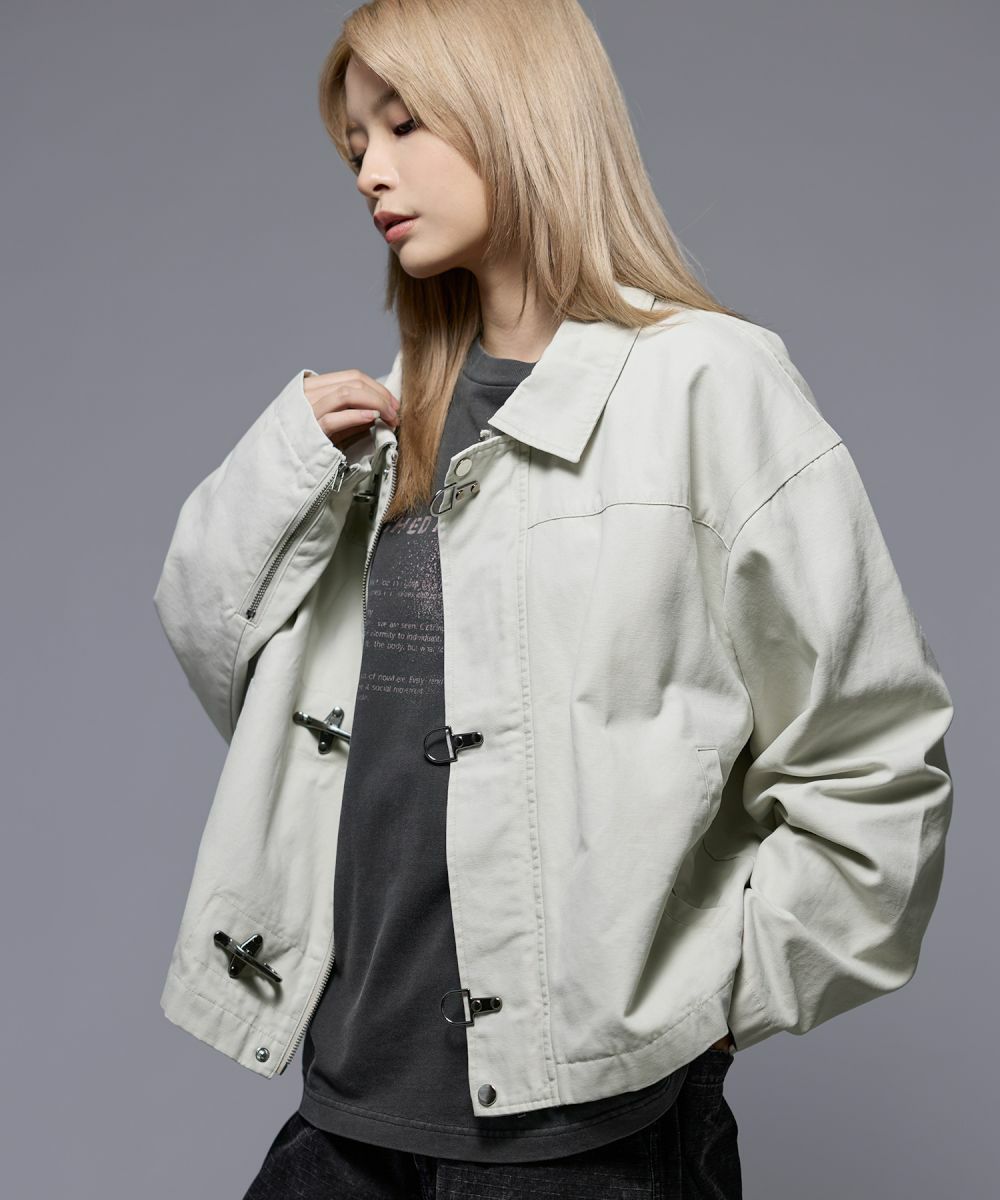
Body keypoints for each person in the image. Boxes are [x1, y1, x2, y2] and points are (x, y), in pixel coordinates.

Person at [152, 3, 955, 1197]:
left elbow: (871, 752)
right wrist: (284, 458)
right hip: (346, 1113)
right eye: (355, 144)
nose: (370, 171)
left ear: (514, 111)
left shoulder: (705, 384)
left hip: (588, 1146)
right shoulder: (384, 422)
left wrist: (711, 1007)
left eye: (403, 124)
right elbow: (228, 661)